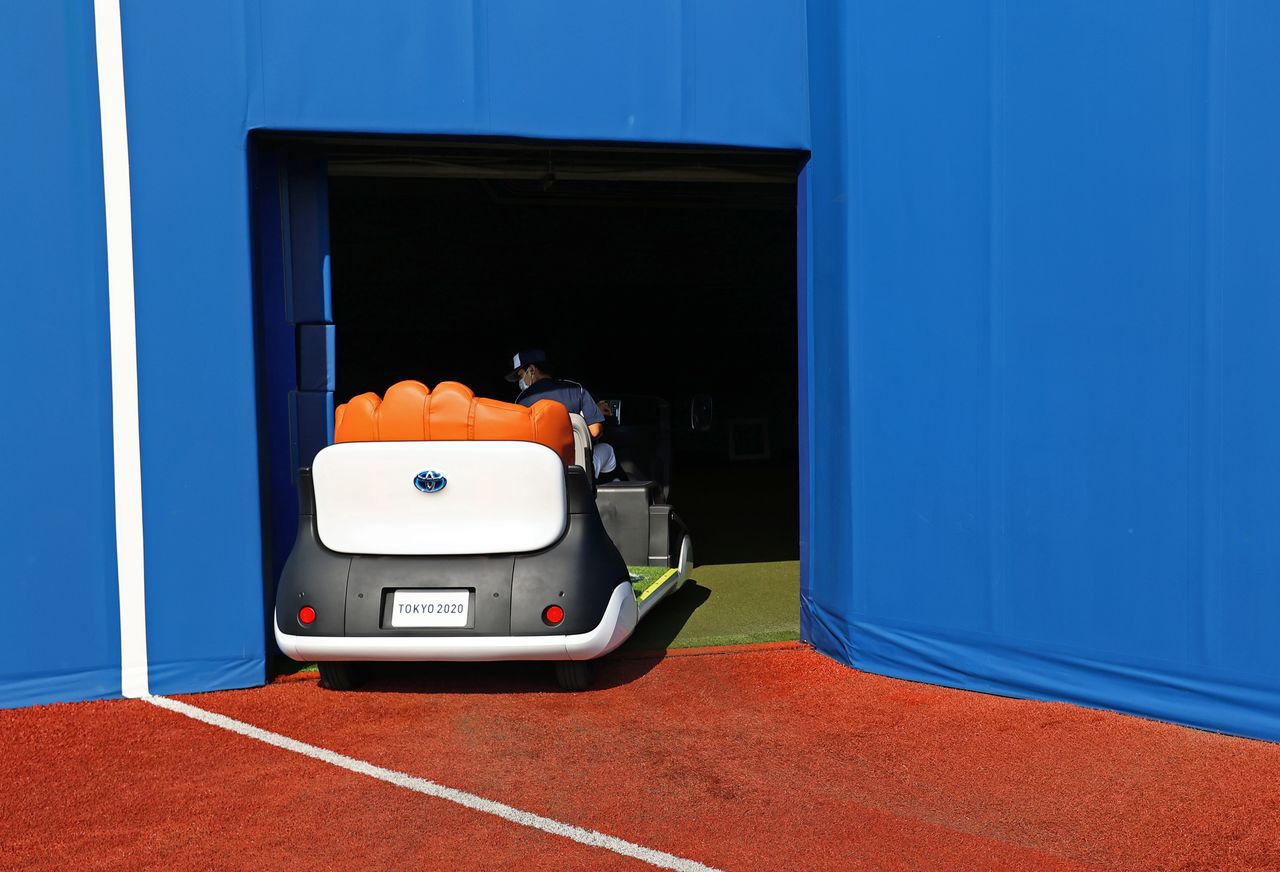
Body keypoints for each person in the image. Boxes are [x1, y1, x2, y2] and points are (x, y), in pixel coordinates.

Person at [506, 349, 618, 479]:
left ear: (531, 370)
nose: (520, 381)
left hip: (539, 471)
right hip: (577, 472)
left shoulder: (520, 401)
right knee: (607, 450)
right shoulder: (576, 390)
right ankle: (611, 488)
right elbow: (595, 431)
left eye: (520, 376)